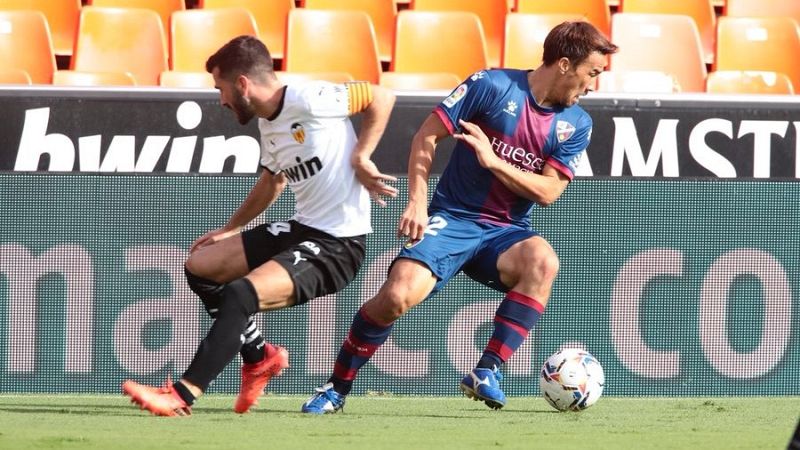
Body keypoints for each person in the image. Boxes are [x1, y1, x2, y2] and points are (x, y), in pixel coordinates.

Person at [301, 21, 618, 414]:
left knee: (543, 261)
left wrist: (493, 161)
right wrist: (417, 202)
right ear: (566, 64)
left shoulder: (577, 124)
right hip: (452, 218)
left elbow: (549, 192)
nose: (592, 86)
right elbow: (426, 136)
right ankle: (335, 388)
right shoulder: (491, 86)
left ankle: (487, 370)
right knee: (395, 298)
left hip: (506, 232)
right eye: (592, 73)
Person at [122, 35, 398, 416]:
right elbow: (274, 182)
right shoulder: (270, 123)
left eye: (220, 88)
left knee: (240, 294)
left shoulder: (310, 98)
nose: (220, 100)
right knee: (200, 267)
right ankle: (259, 357)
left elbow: (382, 97)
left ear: (243, 84)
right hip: (303, 229)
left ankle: (181, 395)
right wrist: (229, 228)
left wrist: (361, 156)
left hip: (338, 245)